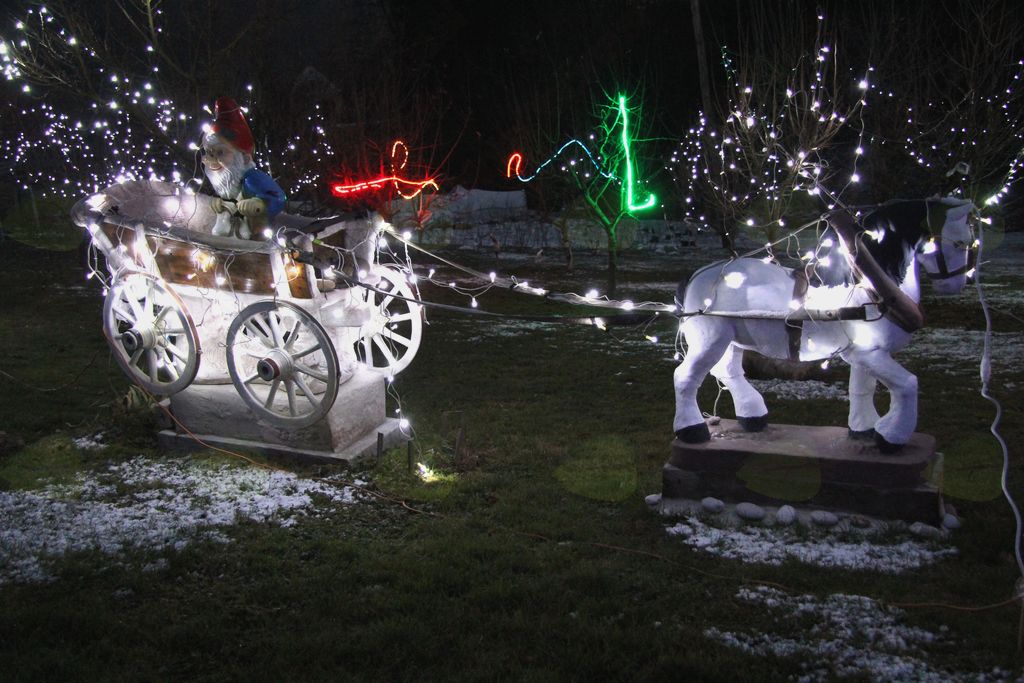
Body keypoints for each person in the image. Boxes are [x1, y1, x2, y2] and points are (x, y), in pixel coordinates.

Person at [201, 97, 286, 239]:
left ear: (244, 158)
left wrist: (259, 204)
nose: (212, 158)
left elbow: (280, 198)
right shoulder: (225, 184)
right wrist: (219, 205)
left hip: (257, 237)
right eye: (210, 152)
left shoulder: (252, 179)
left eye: (220, 152)